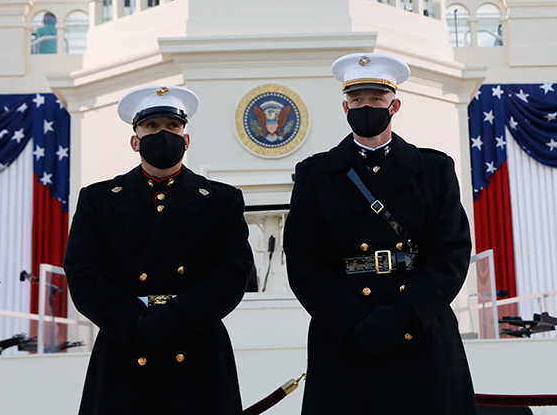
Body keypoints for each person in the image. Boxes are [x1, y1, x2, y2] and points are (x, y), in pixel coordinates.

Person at [284, 53, 478, 415]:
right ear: (345, 107)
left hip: (420, 331)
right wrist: (354, 321)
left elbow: (451, 254)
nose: (366, 107)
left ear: (394, 105)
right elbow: (303, 260)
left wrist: (404, 315)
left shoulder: (433, 170)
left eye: (376, 99)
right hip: (345, 338)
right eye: (357, 99)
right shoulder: (316, 175)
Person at [64, 85, 254, 415]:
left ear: (186, 138)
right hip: (126, 343)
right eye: (151, 126)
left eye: (172, 126)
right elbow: (83, 272)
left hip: (196, 342)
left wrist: (178, 316)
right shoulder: (99, 200)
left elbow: (233, 272)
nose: (163, 134)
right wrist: (134, 320)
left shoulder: (221, 200)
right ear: (135, 141)